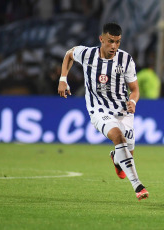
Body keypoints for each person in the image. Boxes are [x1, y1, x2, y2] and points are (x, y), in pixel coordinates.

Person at [57, 22, 149, 201]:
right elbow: (69, 54)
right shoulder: (87, 54)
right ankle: (138, 185)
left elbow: (135, 89)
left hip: (123, 111)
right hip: (98, 109)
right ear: (101, 39)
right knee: (118, 136)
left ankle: (117, 158)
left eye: (118, 42)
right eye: (110, 41)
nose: (114, 46)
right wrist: (63, 79)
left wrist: (132, 101)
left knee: (127, 153)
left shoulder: (126, 60)